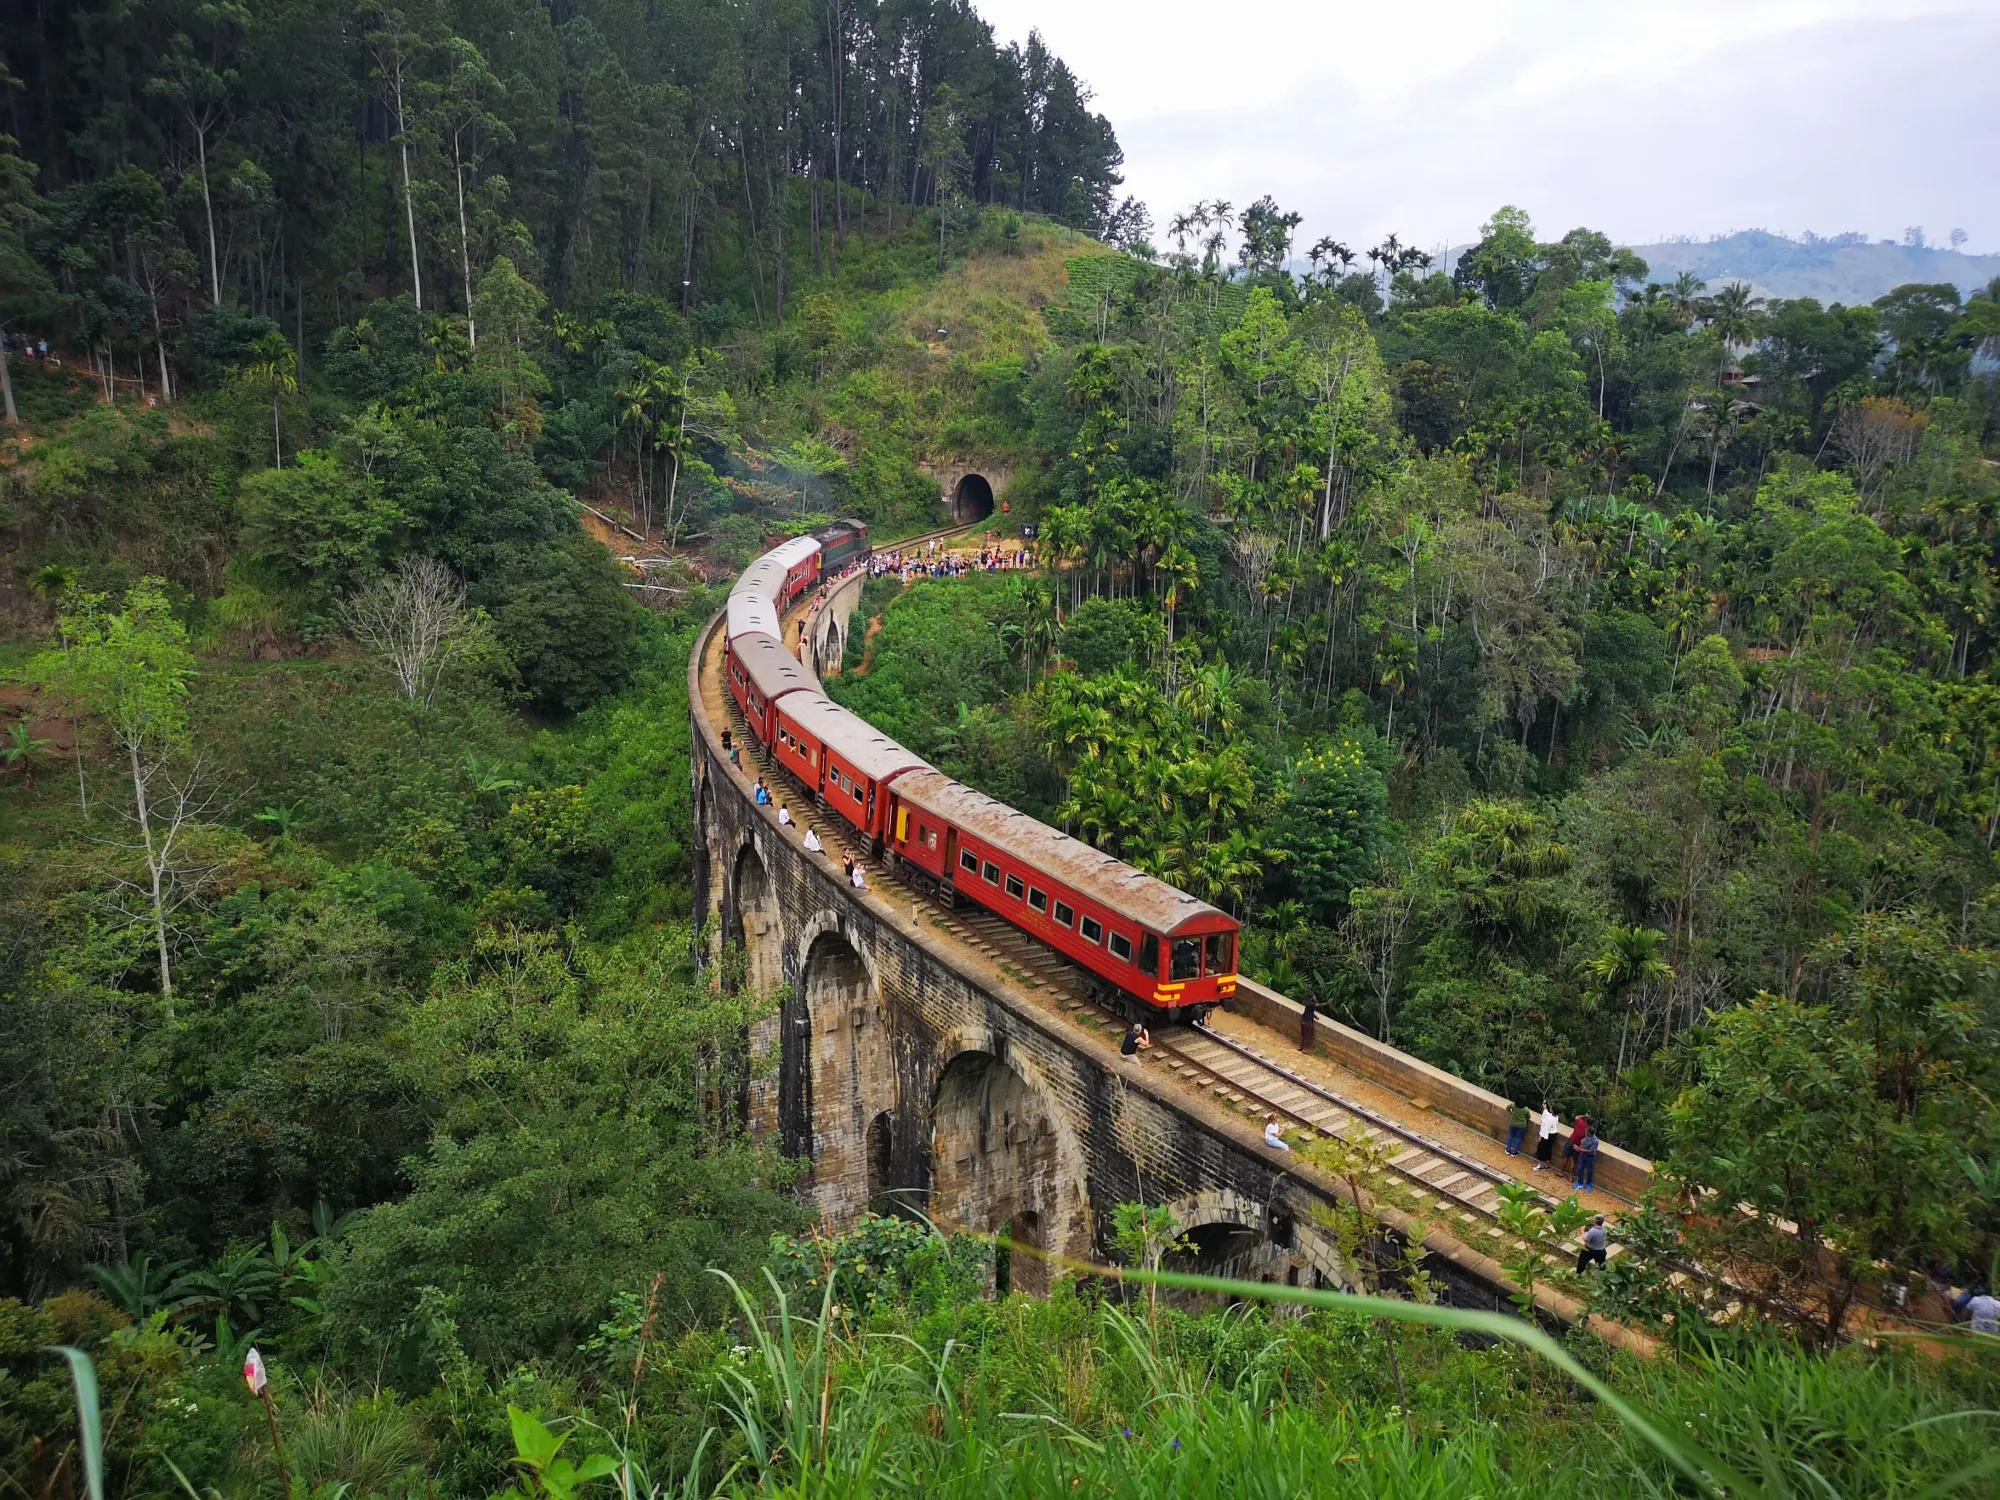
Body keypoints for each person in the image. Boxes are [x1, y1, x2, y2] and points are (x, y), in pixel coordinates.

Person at [1534, 1104, 1560, 1172]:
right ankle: (1547, 1164)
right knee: (1548, 1149)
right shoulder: (1556, 1117)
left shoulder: (1549, 1118)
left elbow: (1546, 1129)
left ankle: (1541, 1165)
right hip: (1553, 1134)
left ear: (1552, 1110)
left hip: (1547, 1135)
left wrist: (1541, 1137)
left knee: (1542, 1149)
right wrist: (1545, 1109)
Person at [1574, 1126, 1601, 1191]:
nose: (1585, 1132)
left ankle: (1588, 1184)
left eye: (1586, 1131)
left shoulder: (1595, 1141)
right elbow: (1583, 1144)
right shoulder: (1586, 1137)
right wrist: (1579, 1147)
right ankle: (1580, 1182)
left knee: (1589, 1171)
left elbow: (1590, 1151)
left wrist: (1580, 1149)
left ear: (1589, 1133)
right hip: (1582, 1156)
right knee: (1580, 1169)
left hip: (1590, 1157)